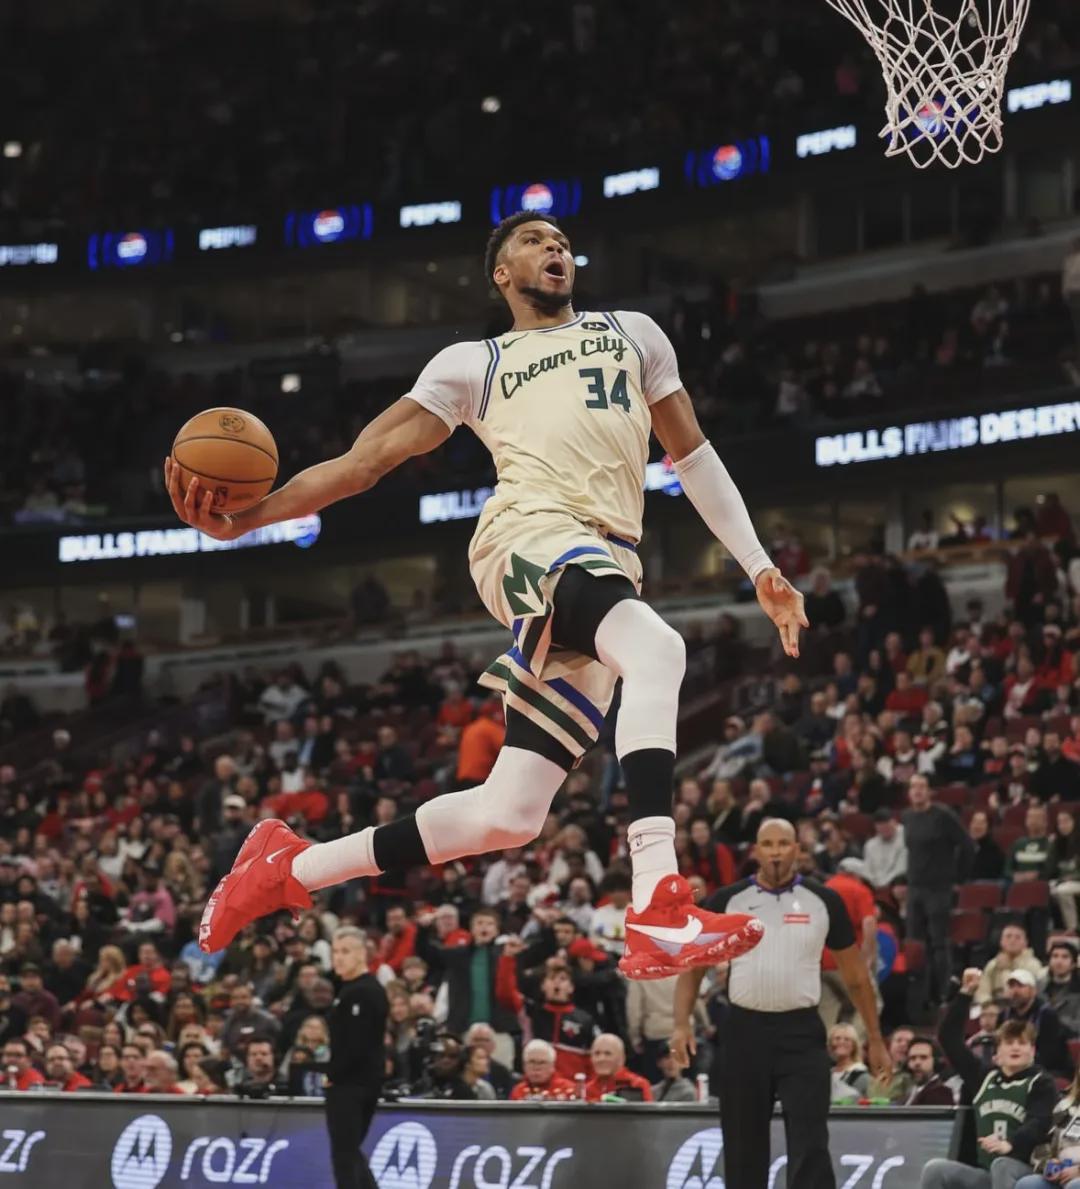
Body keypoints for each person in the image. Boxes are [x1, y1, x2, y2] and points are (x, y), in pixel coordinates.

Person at [175, 212, 807, 978]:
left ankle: (287, 867)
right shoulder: (474, 362)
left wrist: (759, 566)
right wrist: (250, 519)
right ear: (502, 273)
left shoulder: (635, 334)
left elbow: (694, 456)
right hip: (529, 535)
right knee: (657, 648)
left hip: (607, 561)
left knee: (508, 814)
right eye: (534, 241)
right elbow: (364, 461)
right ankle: (657, 901)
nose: (555, 248)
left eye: (562, 241)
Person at [672, 819, 890, 1189]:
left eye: (783, 844)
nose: (775, 852)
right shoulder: (727, 900)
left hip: (801, 1034)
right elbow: (692, 970)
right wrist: (680, 1024)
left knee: (810, 1141)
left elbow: (856, 977)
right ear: (756, 851)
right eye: (768, 844)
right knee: (743, 1143)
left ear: (797, 851)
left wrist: (876, 1038)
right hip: (744, 1033)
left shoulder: (824, 901)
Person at [923, 966, 1056, 1189]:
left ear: (1032, 1051)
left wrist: (1011, 1144)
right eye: (1009, 1043)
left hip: (1026, 1170)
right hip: (986, 1173)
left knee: (1002, 1165)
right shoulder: (983, 1077)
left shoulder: (1041, 1082)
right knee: (935, 1169)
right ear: (996, 1054)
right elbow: (948, 1038)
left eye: (1022, 1043)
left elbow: (1039, 1122)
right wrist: (965, 994)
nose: (1016, 1048)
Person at [324, 926, 387, 1189]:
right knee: (349, 1152)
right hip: (353, 1082)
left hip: (353, 1084)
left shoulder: (365, 990)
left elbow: (358, 1044)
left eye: (345, 951)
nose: (338, 958)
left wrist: (333, 1074)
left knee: (345, 1156)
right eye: (335, 952)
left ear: (362, 954)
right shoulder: (349, 989)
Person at [903, 774, 972, 1003]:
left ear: (929, 791)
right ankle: (918, 994)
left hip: (938, 888)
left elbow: (967, 845)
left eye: (922, 787)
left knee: (939, 943)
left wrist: (957, 877)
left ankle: (943, 993)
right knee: (914, 942)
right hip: (915, 887)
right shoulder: (908, 817)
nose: (917, 791)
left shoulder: (943, 816)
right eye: (913, 787)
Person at [1014, 1061, 1080, 1189]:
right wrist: (1048, 1164)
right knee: (1028, 1184)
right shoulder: (1064, 1107)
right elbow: (1043, 1146)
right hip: (1062, 1174)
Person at [998, 970, 1073, 1080]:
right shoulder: (1003, 1015)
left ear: (1033, 991)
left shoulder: (1047, 1015)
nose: (1015, 991)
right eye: (1012, 986)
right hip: (1013, 1068)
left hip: (1048, 1071)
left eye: (1020, 986)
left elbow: (1051, 1055)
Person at [976, 926, 1047, 1006]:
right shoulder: (992, 964)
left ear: (1025, 942)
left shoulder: (1034, 965)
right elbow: (983, 989)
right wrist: (987, 1005)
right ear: (1001, 941)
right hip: (993, 1005)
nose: (1012, 940)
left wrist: (1006, 969)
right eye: (1008, 936)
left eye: (1018, 937)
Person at [585, 1033, 653, 1102]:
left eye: (608, 1053)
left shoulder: (638, 1085)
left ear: (621, 1058)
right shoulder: (587, 1089)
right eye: (597, 1053)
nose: (601, 1059)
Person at [509, 1038, 576, 1101]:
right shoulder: (518, 1091)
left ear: (552, 1066)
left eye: (542, 1062)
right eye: (531, 1062)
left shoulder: (568, 1089)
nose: (536, 1067)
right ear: (524, 1065)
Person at [903, 1038, 955, 1106]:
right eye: (913, 1058)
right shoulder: (910, 1092)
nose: (917, 1063)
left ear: (936, 1061)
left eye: (923, 1057)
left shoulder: (940, 1093)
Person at [1045, 941, 1080, 1039]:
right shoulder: (1040, 988)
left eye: (1065, 957)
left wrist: (1055, 1021)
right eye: (1055, 956)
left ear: (1073, 963)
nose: (1059, 961)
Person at [829, 1023, 870, 1103]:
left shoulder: (861, 1074)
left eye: (847, 1039)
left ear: (854, 1046)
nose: (841, 1042)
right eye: (837, 1038)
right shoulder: (828, 1072)